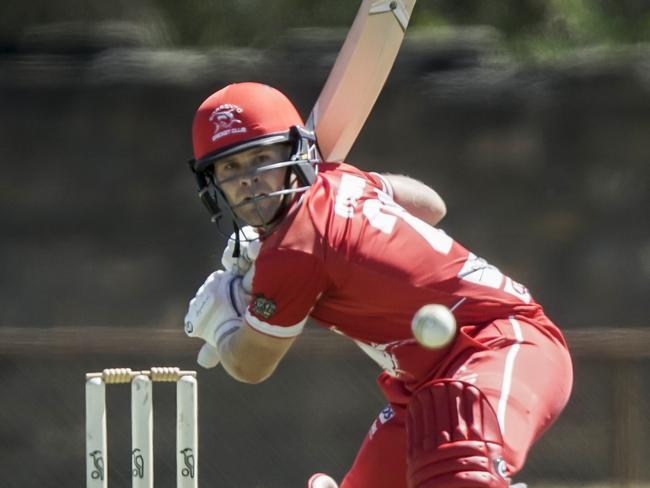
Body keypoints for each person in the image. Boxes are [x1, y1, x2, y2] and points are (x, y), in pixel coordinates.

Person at [184, 82, 573, 488]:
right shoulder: (342, 182)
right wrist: (360, 187)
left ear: (292, 154)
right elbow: (430, 204)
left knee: (461, 475)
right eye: (231, 168)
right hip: (423, 387)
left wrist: (226, 318)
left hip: (502, 345)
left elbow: (250, 364)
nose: (248, 180)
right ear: (213, 181)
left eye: (261, 158)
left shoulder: (294, 252)